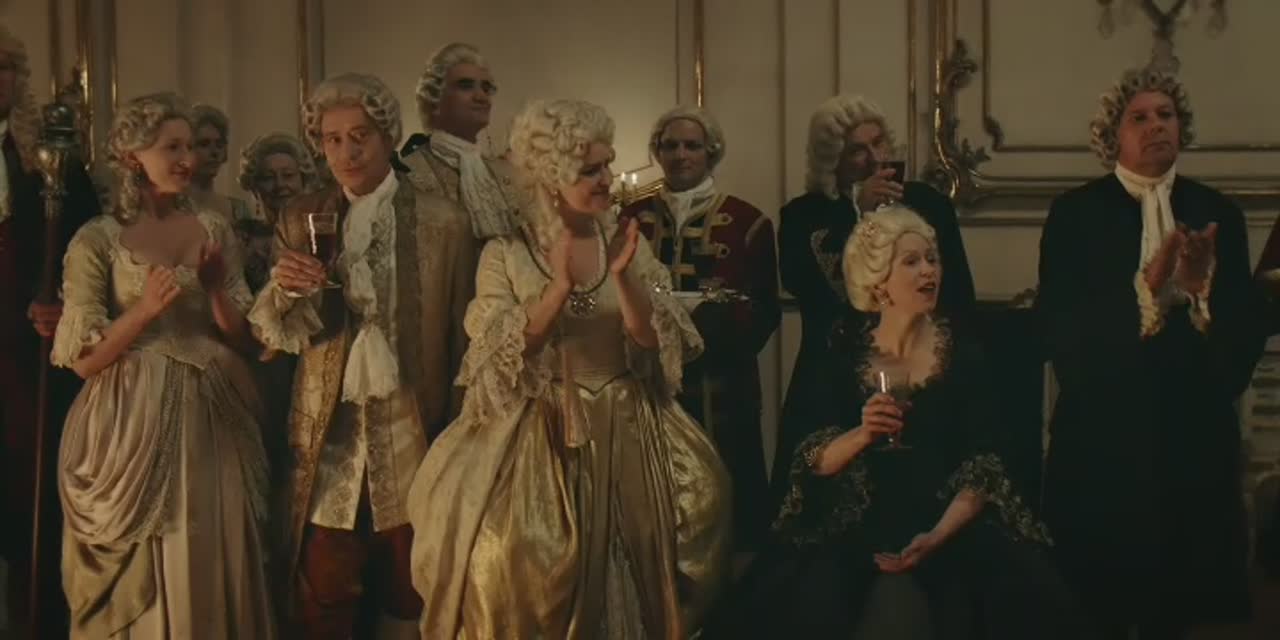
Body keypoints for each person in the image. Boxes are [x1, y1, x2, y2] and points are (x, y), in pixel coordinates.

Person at [406, 99, 731, 639]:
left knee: (697, 505)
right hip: (542, 424)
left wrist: (624, 278)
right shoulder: (506, 253)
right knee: (509, 554)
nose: (608, 179)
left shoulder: (626, 243)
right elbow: (506, 355)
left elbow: (652, 347)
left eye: (608, 164)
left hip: (630, 419)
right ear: (552, 179)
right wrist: (557, 288)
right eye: (591, 170)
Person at [706, 206, 1082, 639]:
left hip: (949, 521)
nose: (929, 271)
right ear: (878, 281)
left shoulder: (966, 352)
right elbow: (811, 457)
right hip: (853, 524)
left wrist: (938, 535)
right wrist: (863, 434)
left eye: (932, 259)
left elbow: (987, 463)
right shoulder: (840, 352)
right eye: (912, 261)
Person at [1036, 68, 1265, 639]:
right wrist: (1145, 292)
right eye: (1139, 117)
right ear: (1112, 135)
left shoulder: (1219, 214)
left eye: (1166, 114)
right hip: (1102, 443)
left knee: (1180, 615)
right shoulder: (1074, 215)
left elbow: (1238, 340)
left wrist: (1198, 295)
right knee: (1098, 612)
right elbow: (1063, 332)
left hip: (1191, 444)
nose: (1157, 125)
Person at [247, 72, 475, 640]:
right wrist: (286, 291)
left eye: (360, 136)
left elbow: (463, 339)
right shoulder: (301, 216)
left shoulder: (445, 221)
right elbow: (273, 343)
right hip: (329, 431)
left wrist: (462, 436)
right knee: (324, 582)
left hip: (414, 427)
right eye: (332, 139)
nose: (346, 153)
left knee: (413, 580)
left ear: (388, 136)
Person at [54, 92, 274, 638]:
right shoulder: (97, 239)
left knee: (212, 546)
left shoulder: (214, 229)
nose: (186, 159)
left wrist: (216, 290)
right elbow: (83, 361)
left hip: (214, 412)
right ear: (134, 156)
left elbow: (246, 339)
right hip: (128, 421)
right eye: (170, 147)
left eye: (189, 146)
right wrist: (144, 311)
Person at [772, 95, 974, 509]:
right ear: (832, 159)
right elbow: (812, 287)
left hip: (917, 365)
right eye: (857, 150)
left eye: (879, 143)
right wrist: (858, 217)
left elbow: (957, 294)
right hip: (831, 374)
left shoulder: (929, 204)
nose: (875, 158)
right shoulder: (803, 215)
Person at [619, 105, 779, 551]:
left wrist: (708, 322)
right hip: (648, 386)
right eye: (670, 146)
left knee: (727, 512)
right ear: (657, 153)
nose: (681, 155)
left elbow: (764, 312)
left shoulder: (749, 222)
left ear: (712, 152)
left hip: (722, 390)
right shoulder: (629, 220)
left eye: (692, 145)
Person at [0, 24, 101, 634]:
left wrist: (66, 303)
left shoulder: (50, 164)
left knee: (31, 501)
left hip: (29, 365)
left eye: (3, 67)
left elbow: (86, 247)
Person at [400, 42, 519, 240]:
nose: (481, 97)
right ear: (434, 99)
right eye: (465, 86)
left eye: (486, 88)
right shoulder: (407, 174)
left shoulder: (503, 173)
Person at [235, 132, 321, 292]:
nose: (280, 184)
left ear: (303, 180)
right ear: (254, 187)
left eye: (288, 175)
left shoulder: (320, 233)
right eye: (268, 177)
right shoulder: (241, 237)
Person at [188, 104, 253, 228]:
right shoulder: (171, 207)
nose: (214, 152)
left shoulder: (238, 210)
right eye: (204, 144)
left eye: (219, 144)